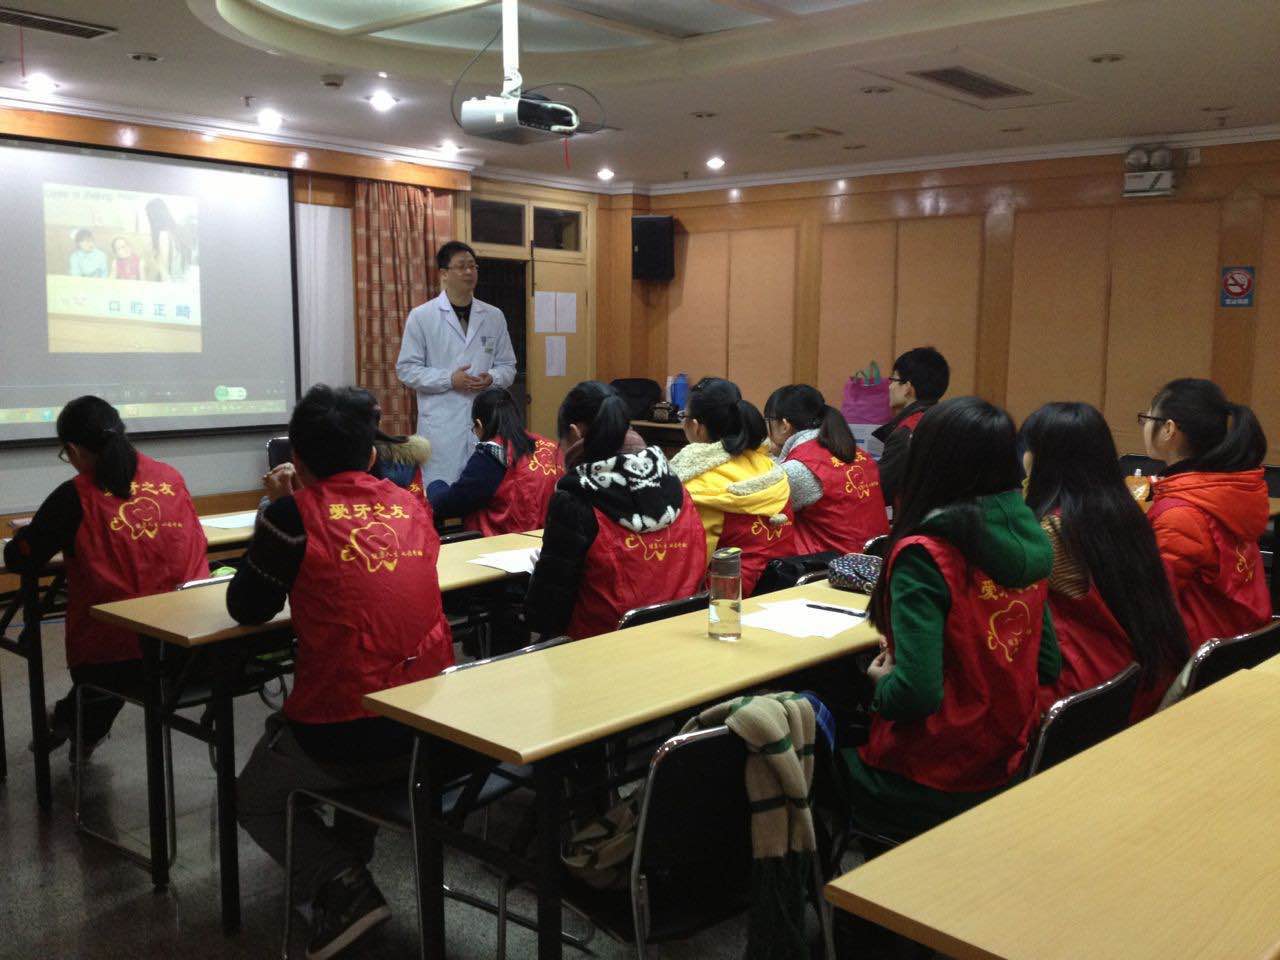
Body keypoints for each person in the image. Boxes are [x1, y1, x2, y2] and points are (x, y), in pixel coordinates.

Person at [229, 385, 455, 960]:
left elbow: (247, 607)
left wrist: (275, 510)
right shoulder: (412, 505)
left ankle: (341, 883)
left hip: (347, 732)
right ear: (373, 455)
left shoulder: (293, 515)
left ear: (296, 460)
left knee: (252, 796)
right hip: (431, 723)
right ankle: (349, 860)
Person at [843, 397, 1060, 839]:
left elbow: (915, 695)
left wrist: (880, 683)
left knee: (817, 739)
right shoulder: (1030, 539)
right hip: (1004, 764)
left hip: (927, 776)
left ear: (930, 461)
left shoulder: (926, 553)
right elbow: (1048, 664)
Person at [3, 396, 208, 759]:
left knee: (113, 661)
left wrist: (28, 536)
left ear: (73, 450)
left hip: (117, 660)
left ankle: (69, 719)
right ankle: (75, 724)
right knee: (131, 651)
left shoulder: (75, 496)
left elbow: (21, 558)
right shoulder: (170, 477)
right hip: (191, 651)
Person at [1022, 402, 1188, 721]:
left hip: (1080, 691)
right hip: (1137, 676)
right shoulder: (1125, 513)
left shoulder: (1052, 531)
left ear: (1043, 457)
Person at [525, 381, 706, 640]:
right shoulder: (674, 483)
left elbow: (545, 614)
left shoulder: (576, 498)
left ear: (575, 433)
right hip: (681, 639)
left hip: (602, 647)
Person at [1141, 377, 1270, 652]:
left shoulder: (1181, 514)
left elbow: (1147, 604)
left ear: (1168, 429)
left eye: (1147, 418)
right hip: (1239, 641)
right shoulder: (1229, 489)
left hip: (1201, 658)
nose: (1144, 427)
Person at [396, 241, 518, 486]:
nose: (469, 272)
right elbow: (406, 370)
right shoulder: (422, 316)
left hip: (484, 423)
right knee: (441, 491)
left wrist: (492, 378)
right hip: (441, 425)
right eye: (461, 266)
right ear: (444, 274)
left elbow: (508, 366)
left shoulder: (493, 316)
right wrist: (449, 379)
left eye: (473, 266)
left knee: (484, 491)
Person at [670, 377, 793, 596]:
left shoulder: (699, 484)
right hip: (781, 588)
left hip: (724, 597)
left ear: (696, 426)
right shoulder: (768, 466)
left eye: (683, 416)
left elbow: (688, 565)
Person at [764, 384, 888, 555]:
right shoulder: (855, 452)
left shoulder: (799, 468)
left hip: (832, 565)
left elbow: (759, 502)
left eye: (768, 421)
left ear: (784, 425)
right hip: (874, 560)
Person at [428, 387, 564, 534]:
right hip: (549, 539)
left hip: (504, 542)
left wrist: (435, 486)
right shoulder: (551, 448)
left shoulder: (491, 455)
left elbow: (451, 504)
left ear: (479, 424)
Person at [872, 346, 949, 508]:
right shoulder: (947, 421)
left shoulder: (907, 432)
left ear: (907, 387)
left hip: (915, 519)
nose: (889, 387)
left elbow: (880, 489)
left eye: (893, 380)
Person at [145, 198, 190, 282]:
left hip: (171, 283)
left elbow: (163, 269)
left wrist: (152, 259)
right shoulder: (176, 231)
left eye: (148, 215)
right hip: (181, 280)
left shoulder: (163, 235)